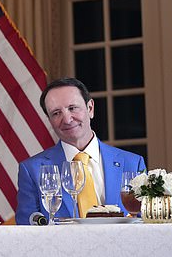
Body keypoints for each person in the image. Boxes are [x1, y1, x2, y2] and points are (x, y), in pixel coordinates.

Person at [15, 77, 146, 224]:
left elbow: (144, 223)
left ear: (90, 108)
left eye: (72, 108)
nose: (67, 119)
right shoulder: (32, 170)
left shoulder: (133, 164)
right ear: (49, 120)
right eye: (56, 113)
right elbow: (26, 229)